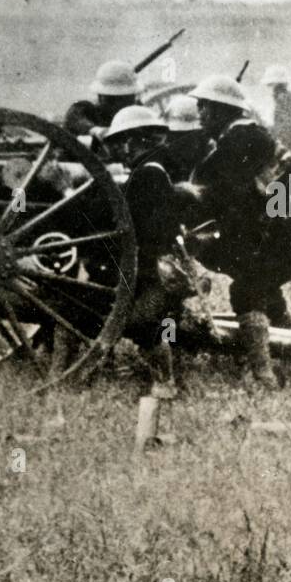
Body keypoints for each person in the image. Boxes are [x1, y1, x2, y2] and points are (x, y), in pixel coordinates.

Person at [186, 74, 291, 384]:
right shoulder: (250, 135)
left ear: (220, 110)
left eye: (204, 107)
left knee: (246, 290)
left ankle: (263, 374)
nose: (200, 114)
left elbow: (235, 199)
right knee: (284, 291)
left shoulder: (237, 142)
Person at [102, 106, 188, 388]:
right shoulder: (156, 170)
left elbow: (132, 226)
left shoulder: (146, 175)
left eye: (122, 142)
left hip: (155, 274)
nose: (121, 150)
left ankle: (166, 381)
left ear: (134, 140)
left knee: (141, 323)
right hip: (158, 270)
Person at [63, 60, 140, 152]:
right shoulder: (86, 109)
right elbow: (74, 117)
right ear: (100, 97)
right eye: (112, 99)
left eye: (125, 99)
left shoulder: (138, 112)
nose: (118, 105)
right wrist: (96, 131)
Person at [157, 94, 207, 182]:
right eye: (174, 135)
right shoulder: (162, 163)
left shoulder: (211, 162)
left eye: (184, 135)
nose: (175, 142)